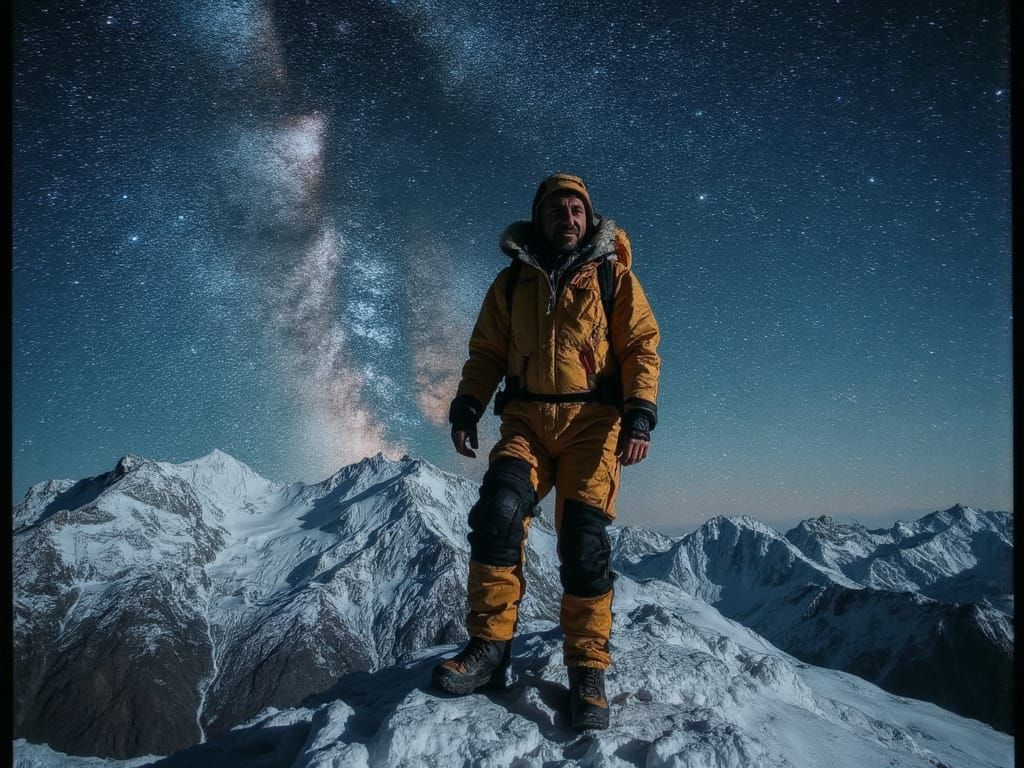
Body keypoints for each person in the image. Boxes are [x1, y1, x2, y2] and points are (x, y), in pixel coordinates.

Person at [431, 173, 661, 730]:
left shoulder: (614, 278)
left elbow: (640, 346)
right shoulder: (511, 284)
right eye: (557, 208)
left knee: (584, 541)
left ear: (590, 218)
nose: (569, 217)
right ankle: (489, 649)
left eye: (577, 209)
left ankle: (587, 668)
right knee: (497, 515)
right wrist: (467, 405)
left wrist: (640, 414)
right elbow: (487, 351)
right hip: (526, 420)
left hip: (593, 423)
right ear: (539, 217)